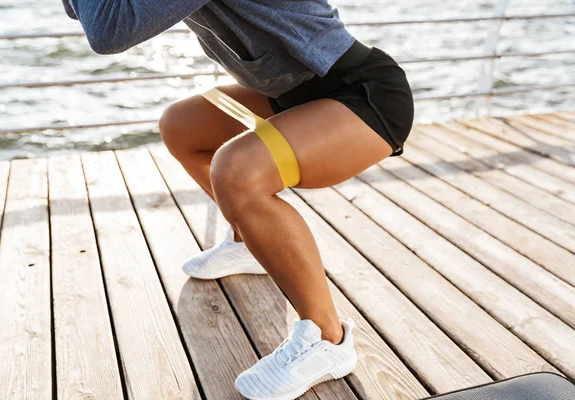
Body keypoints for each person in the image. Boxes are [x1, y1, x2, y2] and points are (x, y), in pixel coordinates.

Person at [62, 0, 414, 398]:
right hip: (287, 94)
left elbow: (109, 32)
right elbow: (88, 13)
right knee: (181, 126)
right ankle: (248, 241)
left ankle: (327, 338)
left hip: (361, 97)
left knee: (237, 171)